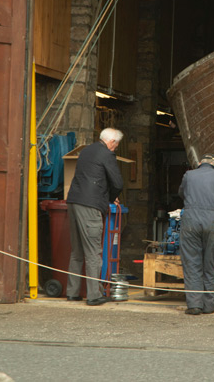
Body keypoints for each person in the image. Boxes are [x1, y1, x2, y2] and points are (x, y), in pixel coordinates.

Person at [65, 128, 124, 306]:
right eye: (116, 145)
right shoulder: (107, 154)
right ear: (112, 142)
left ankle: (72, 292)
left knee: (76, 252)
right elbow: (118, 182)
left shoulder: (86, 150)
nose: (115, 148)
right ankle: (94, 295)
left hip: (73, 201)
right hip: (90, 205)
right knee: (93, 252)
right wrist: (111, 196)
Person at [178, 154, 214, 315]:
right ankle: (209, 305)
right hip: (213, 220)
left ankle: (194, 305)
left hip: (191, 220)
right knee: (210, 263)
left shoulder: (189, 175)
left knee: (192, 263)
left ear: (199, 164)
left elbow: (181, 194)